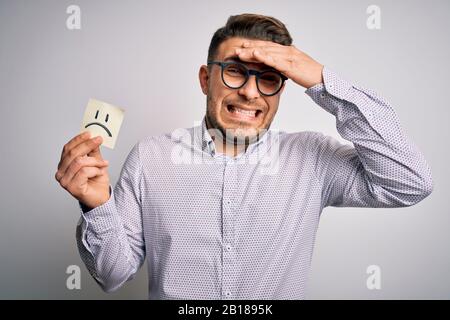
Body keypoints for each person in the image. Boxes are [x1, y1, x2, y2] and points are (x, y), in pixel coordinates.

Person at [55, 13, 433, 299]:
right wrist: (96, 206)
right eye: (235, 72)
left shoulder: (313, 158)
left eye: (269, 78)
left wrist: (321, 80)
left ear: (284, 88)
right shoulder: (150, 158)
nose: (251, 93)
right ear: (206, 79)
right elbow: (112, 275)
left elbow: (410, 182)